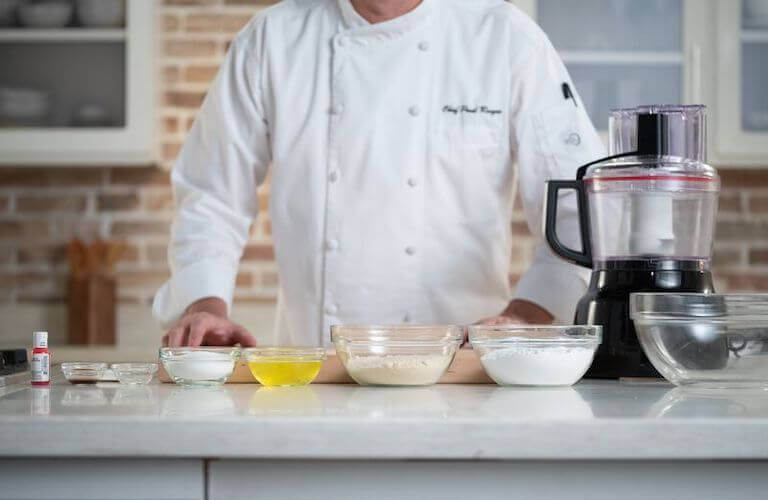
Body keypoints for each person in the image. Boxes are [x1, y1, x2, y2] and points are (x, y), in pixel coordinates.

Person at [154, 0, 604, 347]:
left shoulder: (506, 39)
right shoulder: (273, 40)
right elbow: (213, 194)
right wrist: (205, 303)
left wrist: (525, 316)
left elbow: (582, 209)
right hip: (315, 377)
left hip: (467, 372)